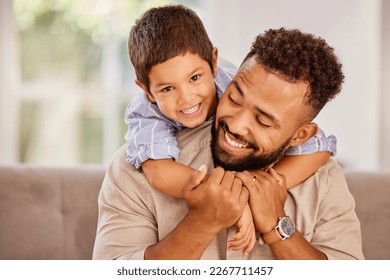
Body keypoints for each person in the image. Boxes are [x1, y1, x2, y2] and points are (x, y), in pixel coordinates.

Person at [92, 26, 364, 259]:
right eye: (234, 99)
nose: (235, 125)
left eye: (264, 121)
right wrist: (202, 222)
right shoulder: (137, 168)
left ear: (299, 136)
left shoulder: (324, 179)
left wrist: (276, 224)